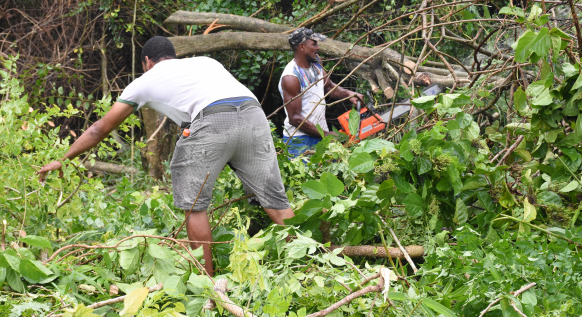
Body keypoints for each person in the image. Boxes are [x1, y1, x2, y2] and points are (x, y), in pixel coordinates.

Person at [37, 36, 294, 276]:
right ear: (174, 55)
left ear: (147, 62)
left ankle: (209, 286)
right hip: (253, 114)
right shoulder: (206, 62)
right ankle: (306, 259)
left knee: (194, 207)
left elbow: (99, 128)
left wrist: (64, 157)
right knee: (275, 200)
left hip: (211, 118)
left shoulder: (143, 83)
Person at [279, 28, 363, 158]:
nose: (318, 47)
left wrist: (349, 94)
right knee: (305, 177)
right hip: (300, 140)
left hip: (319, 133)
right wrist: (326, 134)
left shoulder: (316, 63)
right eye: (314, 44)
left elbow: (328, 86)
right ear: (301, 46)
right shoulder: (291, 77)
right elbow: (295, 118)